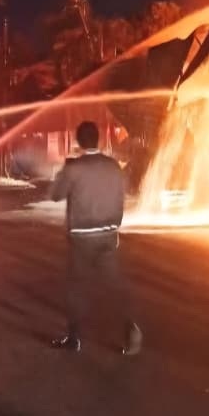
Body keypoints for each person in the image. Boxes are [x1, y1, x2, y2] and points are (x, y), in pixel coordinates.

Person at [49, 121, 141, 355]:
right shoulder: (113, 166)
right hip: (109, 234)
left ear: (79, 141)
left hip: (82, 237)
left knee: (76, 287)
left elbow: (55, 195)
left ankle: (74, 339)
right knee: (113, 285)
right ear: (98, 140)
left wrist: (64, 170)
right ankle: (130, 329)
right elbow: (123, 192)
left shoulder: (74, 167)